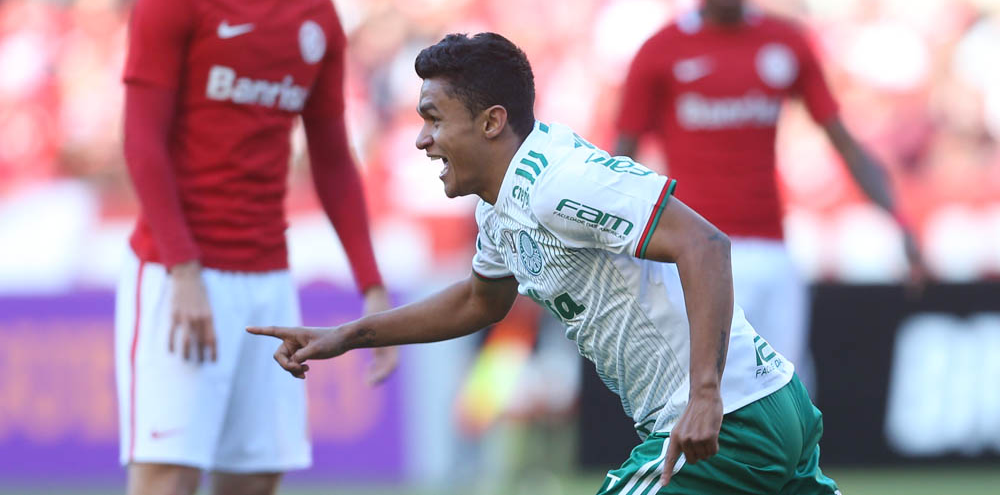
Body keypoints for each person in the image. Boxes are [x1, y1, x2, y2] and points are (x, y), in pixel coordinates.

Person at [249, 32, 842, 494]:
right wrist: (349, 335)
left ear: (491, 121)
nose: (422, 139)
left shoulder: (557, 183)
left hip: (728, 416)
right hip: (769, 402)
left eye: (434, 118)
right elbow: (479, 301)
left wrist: (705, 394)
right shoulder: (499, 206)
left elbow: (705, 245)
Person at [115, 0, 397, 494]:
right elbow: (142, 142)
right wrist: (184, 271)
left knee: (255, 481)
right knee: (167, 479)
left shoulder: (317, 15)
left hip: (268, 278)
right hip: (177, 274)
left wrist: (372, 286)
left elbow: (332, 159)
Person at [615, 0, 924, 391]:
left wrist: (897, 219)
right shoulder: (661, 52)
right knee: (702, 398)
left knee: (789, 399)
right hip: (694, 252)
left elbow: (844, 143)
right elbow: (622, 161)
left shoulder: (785, 43)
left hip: (773, 249)